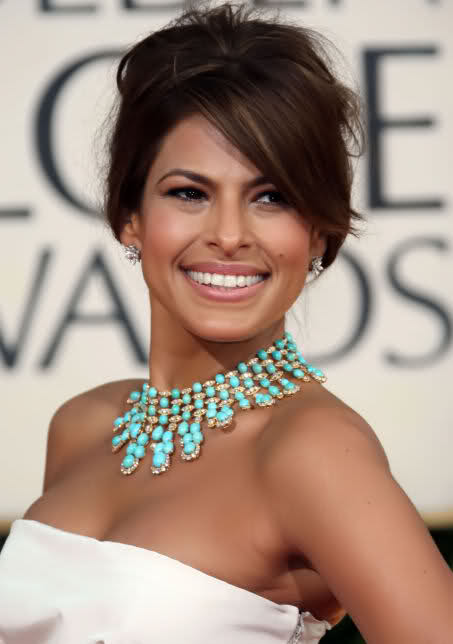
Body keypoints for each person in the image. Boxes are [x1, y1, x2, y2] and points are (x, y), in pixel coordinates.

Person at [1, 2, 452, 643]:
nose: (231, 234)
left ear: (319, 233)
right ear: (129, 216)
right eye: (190, 193)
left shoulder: (313, 450)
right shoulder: (81, 427)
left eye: (273, 197)